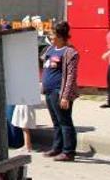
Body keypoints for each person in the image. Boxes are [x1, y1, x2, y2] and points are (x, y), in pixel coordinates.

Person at [41, 21, 79, 162]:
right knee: (56, 122)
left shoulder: (70, 52)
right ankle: (57, 147)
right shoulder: (50, 49)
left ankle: (69, 151)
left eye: (52, 34)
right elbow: (44, 64)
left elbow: (71, 76)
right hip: (49, 91)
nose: (50, 37)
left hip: (60, 92)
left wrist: (65, 96)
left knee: (65, 122)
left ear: (61, 36)